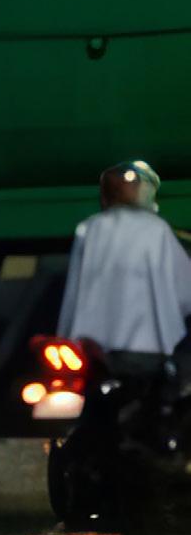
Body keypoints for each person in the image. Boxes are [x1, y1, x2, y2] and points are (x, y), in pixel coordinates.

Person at [57, 159, 191, 375]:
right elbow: (184, 288)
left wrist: (65, 335)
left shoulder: (90, 228)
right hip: (149, 347)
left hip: (91, 348)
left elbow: (74, 288)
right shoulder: (156, 229)